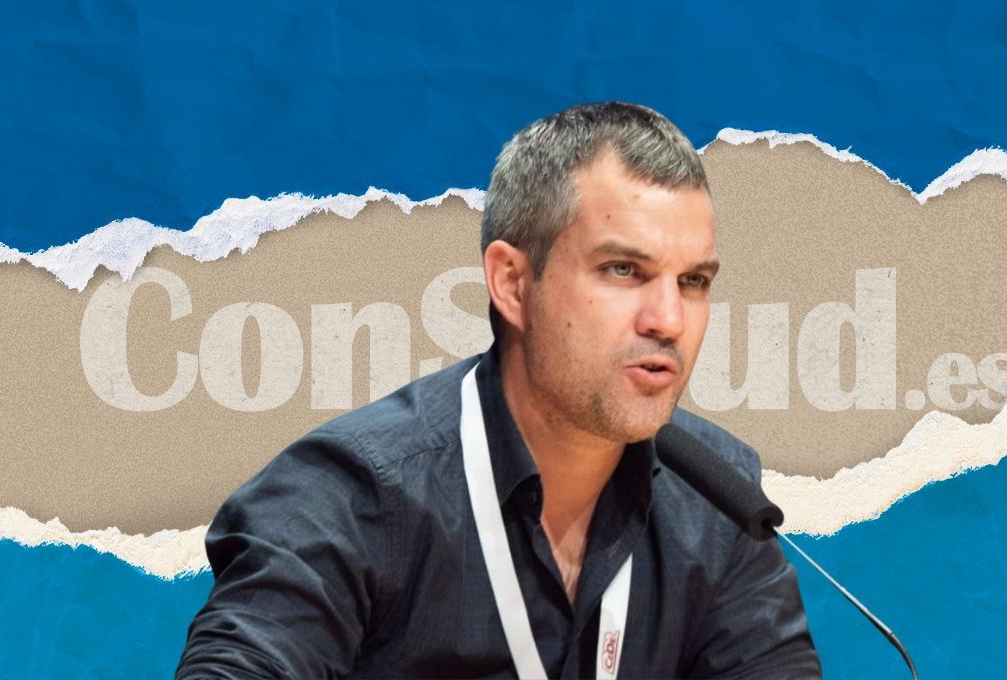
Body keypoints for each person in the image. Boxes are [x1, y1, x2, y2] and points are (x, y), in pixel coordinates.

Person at [176, 102, 820, 679]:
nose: (669, 320)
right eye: (623, 270)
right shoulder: (350, 494)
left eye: (693, 282)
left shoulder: (720, 501)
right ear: (512, 283)